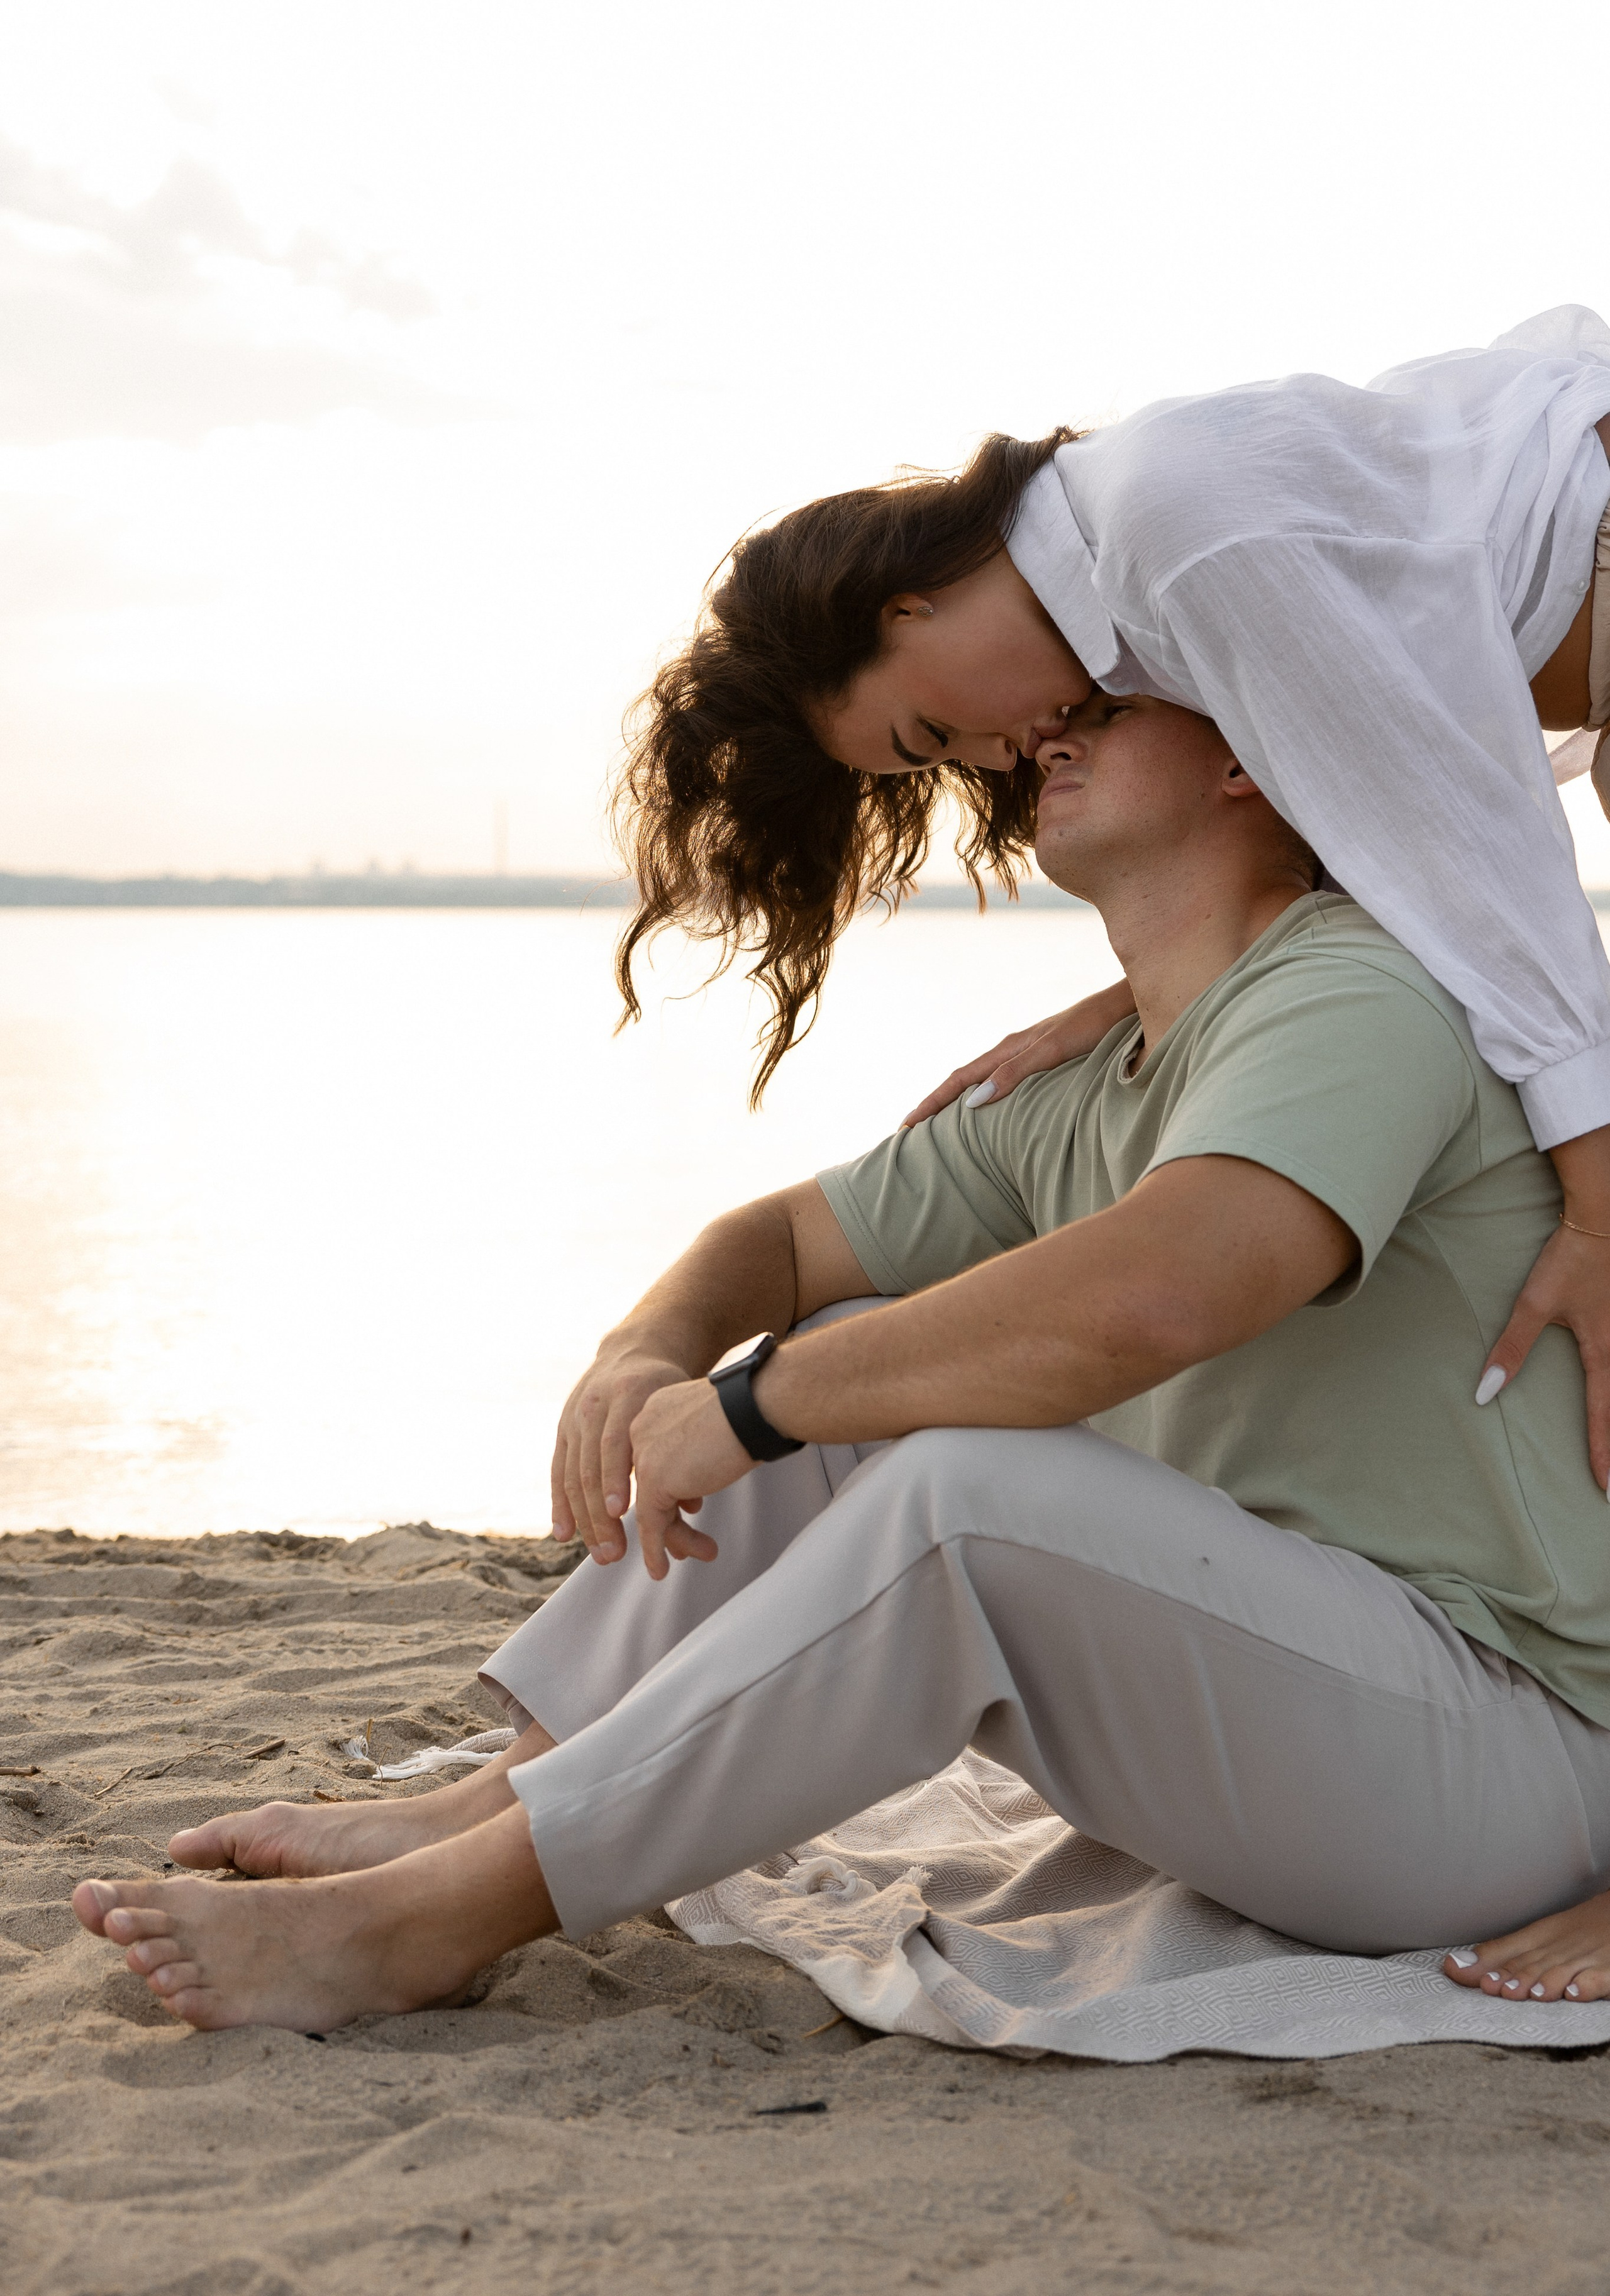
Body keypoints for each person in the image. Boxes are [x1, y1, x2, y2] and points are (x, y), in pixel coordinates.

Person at [72, 689, 1610, 2029]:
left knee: (950, 1494)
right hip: (1311, 1706)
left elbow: (1158, 1292)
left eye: (1109, 702)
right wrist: (644, 1352)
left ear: (1246, 761)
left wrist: (752, 1404)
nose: (1046, 729)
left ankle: (431, 1921)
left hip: (1512, 1763)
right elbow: (785, 1242)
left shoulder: (1351, 988)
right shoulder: (1100, 1071)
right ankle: (490, 1806)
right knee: (846, 1357)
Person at [610, 307, 1610, 1502]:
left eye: (933, 731)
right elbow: (1369, 842)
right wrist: (1129, 1002)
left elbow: (1474, 854)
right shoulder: (1135, 577)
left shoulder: (1172, 536)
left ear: (905, 607)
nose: (996, 758)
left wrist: (1600, 1221)